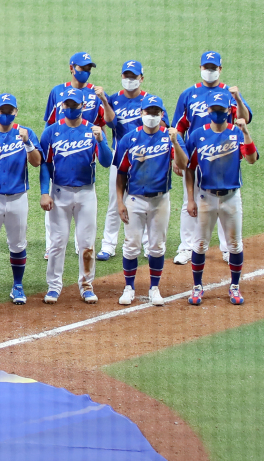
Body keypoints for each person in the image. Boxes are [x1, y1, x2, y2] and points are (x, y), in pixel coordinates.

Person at [171, 51, 252, 266]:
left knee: (228, 202)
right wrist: (176, 156)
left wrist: (238, 98)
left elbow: (246, 118)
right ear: (200, 68)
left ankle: (227, 249)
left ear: (220, 69)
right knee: (190, 203)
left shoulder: (229, 94)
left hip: (225, 156)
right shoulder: (189, 94)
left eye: (213, 67)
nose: (209, 70)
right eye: (206, 67)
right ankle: (187, 247)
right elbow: (178, 128)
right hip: (196, 156)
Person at [38, 88, 113, 304]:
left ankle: (87, 285)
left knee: (87, 243)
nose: (71, 108)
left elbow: (107, 162)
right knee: (57, 242)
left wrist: (101, 141)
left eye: (75, 105)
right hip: (59, 192)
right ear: (62, 106)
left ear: (82, 106)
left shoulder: (93, 130)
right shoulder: (51, 132)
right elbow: (44, 164)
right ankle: (53, 286)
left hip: (86, 193)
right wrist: (45, 192)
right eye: (67, 105)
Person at [183, 91, 257, 306]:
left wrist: (246, 132)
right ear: (208, 110)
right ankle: (197, 287)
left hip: (231, 197)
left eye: (222, 110)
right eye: (214, 110)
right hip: (206, 197)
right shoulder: (197, 135)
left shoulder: (236, 132)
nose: (218, 113)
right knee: (200, 244)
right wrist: (190, 199)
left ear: (228, 111)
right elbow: (189, 168)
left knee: (234, 245)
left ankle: (234, 287)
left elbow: (251, 159)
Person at [113, 95, 185, 307]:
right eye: (148, 112)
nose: (152, 116)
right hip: (135, 198)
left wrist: (175, 141)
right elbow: (121, 173)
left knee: (157, 246)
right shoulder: (129, 139)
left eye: (156, 113)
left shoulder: (170, 137)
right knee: (131, 245)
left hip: (160, 200)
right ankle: (129, 287)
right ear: (141, 113)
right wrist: (120, 201)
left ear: (162, 115)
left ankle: (154, 288)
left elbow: (184, 164)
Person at [0, 93, 41, 305]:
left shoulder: (25, 133)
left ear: (16, 112)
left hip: (18, 197)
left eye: (9, 111)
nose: (5, 114)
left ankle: (18, 286)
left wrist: (28, 143)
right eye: (1, 111)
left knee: (18, 243)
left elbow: (37, 162)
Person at [99, 60, 164, 261]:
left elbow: (162, 127)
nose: (129, 80)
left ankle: (146, 243)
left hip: (146, 161)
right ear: (121, 77)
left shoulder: (151, 102)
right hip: (119, 159)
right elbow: (110, 123)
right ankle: (108, 245)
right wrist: (104, 101)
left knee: (144, 202)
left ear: (141, 78)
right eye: (126, 76)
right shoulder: (114, 99)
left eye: (133, 76)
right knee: (114, 203)